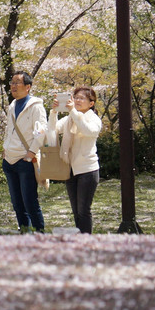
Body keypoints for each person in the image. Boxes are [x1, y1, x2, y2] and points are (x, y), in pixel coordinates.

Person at [53, 86, 103, 233]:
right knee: (75, 211)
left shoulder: (93, 119)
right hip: (71, 169)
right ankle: (78, 239)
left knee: (83, 210)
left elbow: (88, 130)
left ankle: (86, 242)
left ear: (91, 103)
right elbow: (53, 128)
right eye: (76, 97)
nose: (78, 100)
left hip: (88, 170)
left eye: (82, 98)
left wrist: (73, 112)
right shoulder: (70, 118)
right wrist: (54, 111)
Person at [2, 70, 47, 233]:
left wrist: (32, 153)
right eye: (12, 83)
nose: (13, 86)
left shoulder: (36, 106)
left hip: (25, 159)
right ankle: (24, 229)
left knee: (29, 200)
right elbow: (9, 129)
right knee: (16, 200)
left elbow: (42, 131)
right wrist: (5, 148)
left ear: (28, 87)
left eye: (17, 83)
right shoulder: (13, 105)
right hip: (9, 158)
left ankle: (39, 230)